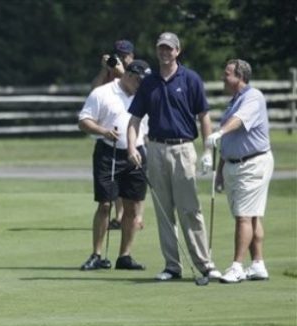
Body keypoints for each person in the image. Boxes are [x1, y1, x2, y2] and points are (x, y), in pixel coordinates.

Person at [127, 32, 221, 281]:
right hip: (156, 149)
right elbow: (134, 119)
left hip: (183, 149)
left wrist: (208, 151)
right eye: (161, 48)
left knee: (190, 209)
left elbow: (204, 116)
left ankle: (204, 264)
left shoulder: (190, 78)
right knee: (163, 211)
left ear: (177, 51)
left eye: (169, 48)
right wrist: (132, 148)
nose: (165, 52)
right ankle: (172, 266)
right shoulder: (149, 82)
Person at [79, 60, 152, 271]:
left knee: (132, 206)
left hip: (137, 153)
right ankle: (96, 254)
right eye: (139, 80)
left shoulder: (145, 95)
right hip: (108, 153)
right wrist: (103, 131)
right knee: (105, 204)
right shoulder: (102, 93)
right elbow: (83, 121)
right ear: (128, 75)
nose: (141, 84)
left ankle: (125, 256)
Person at [206, 59, 274, 283]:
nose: (223, 78)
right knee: (252, 215)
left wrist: (219, 132)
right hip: (235, 164)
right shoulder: (235, 100)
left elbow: (238, 122)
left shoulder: (253, 97)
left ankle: (237, 266)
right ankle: (257, 264)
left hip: (253, 163)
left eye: (227, 74)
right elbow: (230, 141)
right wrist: (219, 171)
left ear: (240, 77)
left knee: (243, 217)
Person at [91, 40, 138, 230]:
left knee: (132, 186)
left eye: (125, 55)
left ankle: (129, 217)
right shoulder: (109, 74)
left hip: (133, 133)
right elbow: (94, 90)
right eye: (119, 55)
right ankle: (118, 216)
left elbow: (129, 81)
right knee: (112, 181)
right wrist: (105, 70)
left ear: (131, 56)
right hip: (108, 134)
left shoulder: (136, 72)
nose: (122, 59)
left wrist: (118, 69)